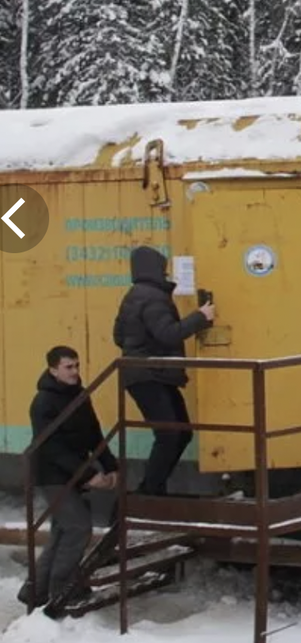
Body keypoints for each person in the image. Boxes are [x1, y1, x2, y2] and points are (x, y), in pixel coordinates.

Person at [18, 346, 118, 611]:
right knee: (77, 526)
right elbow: (51, 448)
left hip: (73, 471)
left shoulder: (79, 395)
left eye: (76, 365)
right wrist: (87, 476)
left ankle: (35, 590)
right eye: (68, 367)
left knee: (63, 529)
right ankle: (62, 590)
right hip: (51, 474)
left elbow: (94, 434)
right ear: (53, 370)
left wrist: (110, 466)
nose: (75, 371)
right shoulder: (43, 402)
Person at [112, 245, 214, 496]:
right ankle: (150, 492)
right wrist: (201, 316)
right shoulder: (152, 297)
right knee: (171, 434)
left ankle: (152, 489)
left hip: (151, 374)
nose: (166, 273)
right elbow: (169, 334)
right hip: (150, 375)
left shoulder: (134, 294)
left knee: (180, 432)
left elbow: (118, 336)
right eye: (163, 268)